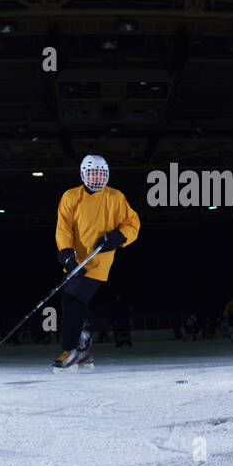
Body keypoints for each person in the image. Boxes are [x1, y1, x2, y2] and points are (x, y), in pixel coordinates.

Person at [53, 154, 140, 370]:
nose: (97, 177)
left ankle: (71, 351)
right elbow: (63, 228)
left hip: (97, 260)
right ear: (84, 174)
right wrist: (65, 252)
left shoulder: (115, 197)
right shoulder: (71, 197)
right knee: (76, 303)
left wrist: (120, 237)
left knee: (71, 301)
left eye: (101, 173)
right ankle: (84, 351)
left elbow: (133, 223)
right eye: (93, 173)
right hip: (74, 261)